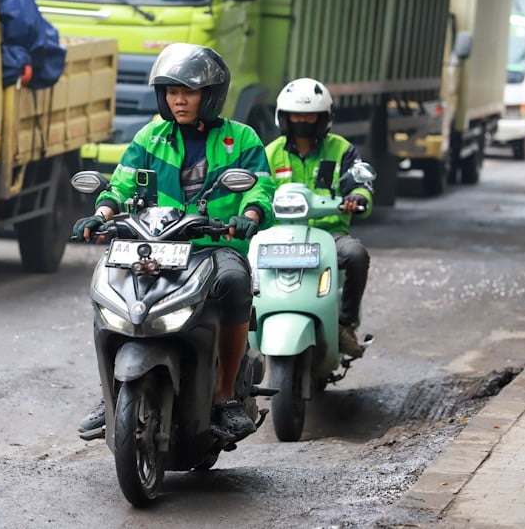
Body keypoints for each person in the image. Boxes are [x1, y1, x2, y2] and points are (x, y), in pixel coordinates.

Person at [72, 42, 275, 441]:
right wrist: (102, 215)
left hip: (213, 246)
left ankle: (224, 397)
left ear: (211, 95)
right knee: (108, 288)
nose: (178, 100)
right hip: (153, 244)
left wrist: (247, 217)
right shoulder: (150, 137)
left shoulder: (243, 139)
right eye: (171, 92)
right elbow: (120, 184)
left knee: (235, 283)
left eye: (188, 91)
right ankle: (110, 394)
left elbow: (260, 190)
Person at [265, 78, 373, 358]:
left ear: (323, 118)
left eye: (309, 115)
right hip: (280, 235)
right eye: (296, 115)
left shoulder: (342, 150)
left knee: (356, 254)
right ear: (284, 118)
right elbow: (257, 188)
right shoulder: (270, 153)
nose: (302, 120)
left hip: (329, 235)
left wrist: (358, 198)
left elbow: (360, 184)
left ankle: (346, 324)